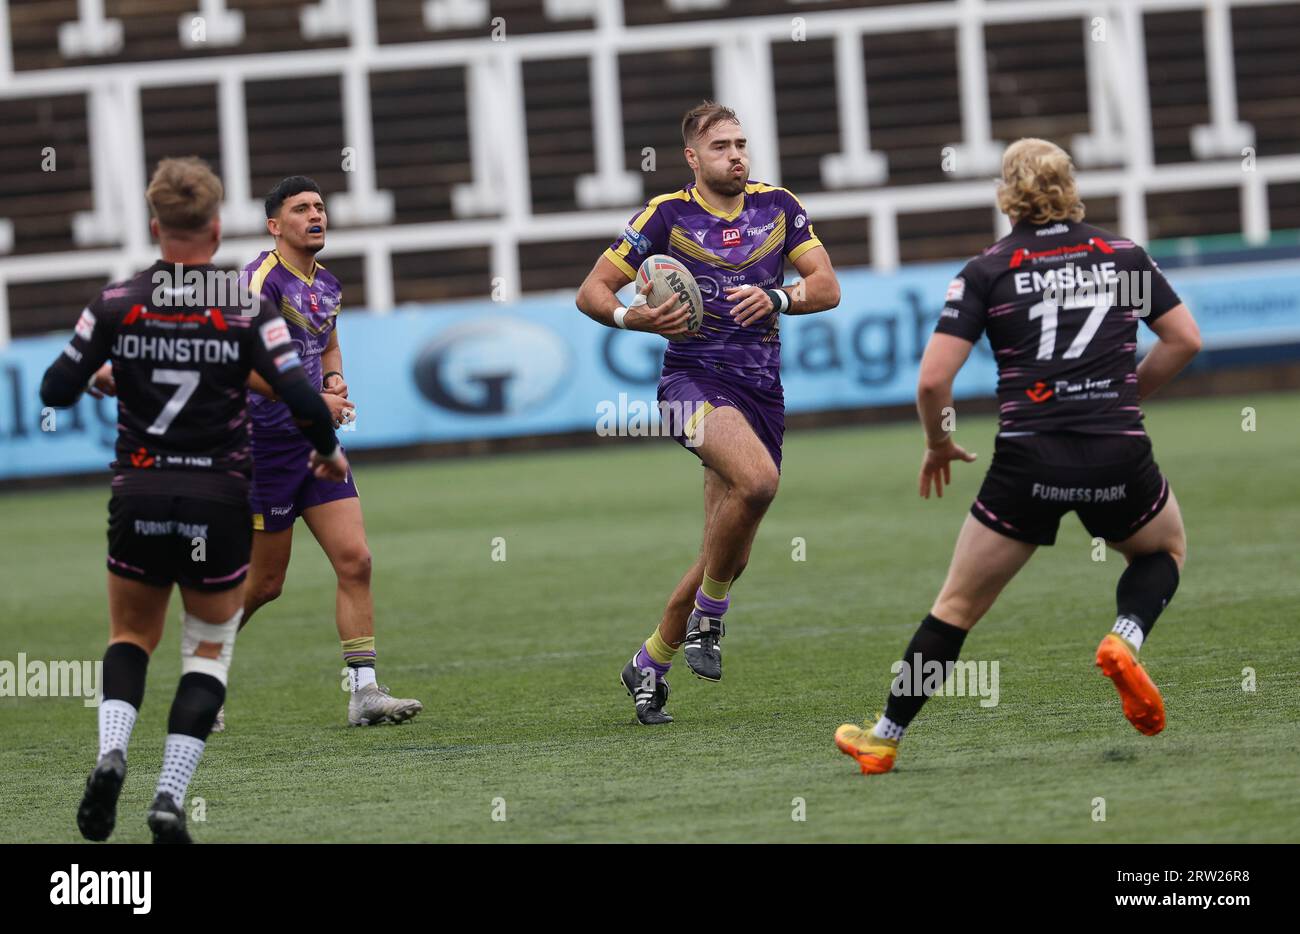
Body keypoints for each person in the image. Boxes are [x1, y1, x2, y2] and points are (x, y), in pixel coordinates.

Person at [835, 138, 1202, 774]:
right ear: (1069, 185)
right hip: (1117, 450)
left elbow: (931, 383)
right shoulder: (1122, 256)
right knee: (1162, 552)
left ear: (1008, 194)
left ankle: (885, 737)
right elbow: (1184, 340)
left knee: (954, 608)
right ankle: (1124, 639)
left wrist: (939, 441)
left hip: (1028, 462)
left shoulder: (987, 271)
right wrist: (1122, 397)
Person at [41, 157, 346, 841]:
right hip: (217, 500)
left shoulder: (118, 301)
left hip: (139, 493)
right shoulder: (244, 305)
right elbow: (302, 395)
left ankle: (111, 753)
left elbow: (55, 390)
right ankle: (169, 800)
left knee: (130, 637)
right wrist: (326, 452)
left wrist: (103, 376)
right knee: (206, 652)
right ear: (215, 227)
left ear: (157, 226)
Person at [576, 101, 841, 724]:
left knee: (726, 553)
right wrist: (629, 316)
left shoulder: (780, 206)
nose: (737, 154)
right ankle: (709, 622)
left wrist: (778, 295)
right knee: (760, 482)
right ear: (693, 157)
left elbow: (827, 287)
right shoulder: (665, 215)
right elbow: (591, 290)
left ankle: (651, 660)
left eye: (742, 143)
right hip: (690, 385)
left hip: (761, 391)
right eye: (721, 146)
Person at [230, 176, 422, 730]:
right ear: (274, 225)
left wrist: (334, 381)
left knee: (355, 560)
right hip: (263, 446)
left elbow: (328, 340)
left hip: (315, 443)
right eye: (300, 209)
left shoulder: (327, 283)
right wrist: (314, 399)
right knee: (267, 584)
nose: (316, 215)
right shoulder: (257, 282)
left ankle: (364, 692)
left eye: (319, 207)